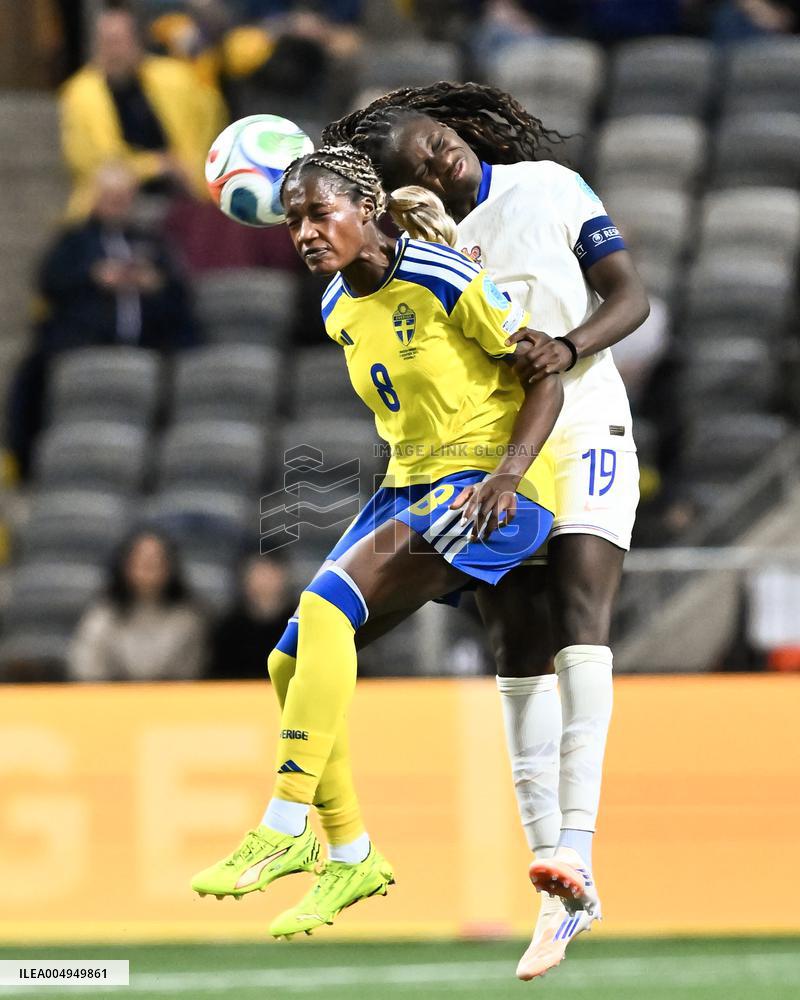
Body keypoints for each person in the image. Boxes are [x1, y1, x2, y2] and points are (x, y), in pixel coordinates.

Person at [190, 145, 563, 944]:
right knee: (286, 660)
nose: (305, 232)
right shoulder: (335, 306)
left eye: (319, 213)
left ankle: (284, 822)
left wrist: (508, 474)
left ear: (365, 211)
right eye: (293, 219)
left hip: (489, 490)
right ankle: (352, 852)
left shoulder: (443, 278)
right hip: (409, 486)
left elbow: (544, 376)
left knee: (325, 611)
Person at [323, 80, 650, 979]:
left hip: (583, 421)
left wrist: (573, 345)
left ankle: (576, 849)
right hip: (491, 456)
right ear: (395, 191)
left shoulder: (549, 185)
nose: (439, 156)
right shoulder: (416, 256)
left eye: (436, 139)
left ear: (453, 127)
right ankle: (556, 890)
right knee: (514, 648)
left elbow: (631, 295)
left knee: (583, 614)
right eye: (416, 162)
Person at [5, 162, 197, 479]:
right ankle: (28, 465)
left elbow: (178, 293)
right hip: (82, 342)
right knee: (31, 374)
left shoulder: (151, 242)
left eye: (124, 199)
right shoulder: (75, 240)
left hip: (147, 344)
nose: (117, 207)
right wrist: (93, 276)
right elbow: (50, 282)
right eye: (111, 199)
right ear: (97, 199)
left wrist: (152, 282)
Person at [59, 4, 225, 216]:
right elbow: (92, 161)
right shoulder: (80, 94)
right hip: (118, 199)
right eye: (105, 42)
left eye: (117, 42)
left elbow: (209, 119)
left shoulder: (176, 79)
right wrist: (157, 165)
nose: (111, 52)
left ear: (138, 42)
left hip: (184, 190)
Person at [68, 529, 207, 681]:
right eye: (141, 559)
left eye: (156, 560)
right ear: (125, 565)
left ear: (170, 566)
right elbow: (87, 670)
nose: (148, 565)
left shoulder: (188, 619)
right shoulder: (103, 616)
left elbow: (191, 675)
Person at [208, 555, 295, 679]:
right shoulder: (229, 628)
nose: (264, 582)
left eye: (270, 574)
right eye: (259, 574)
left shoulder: (298, 624)